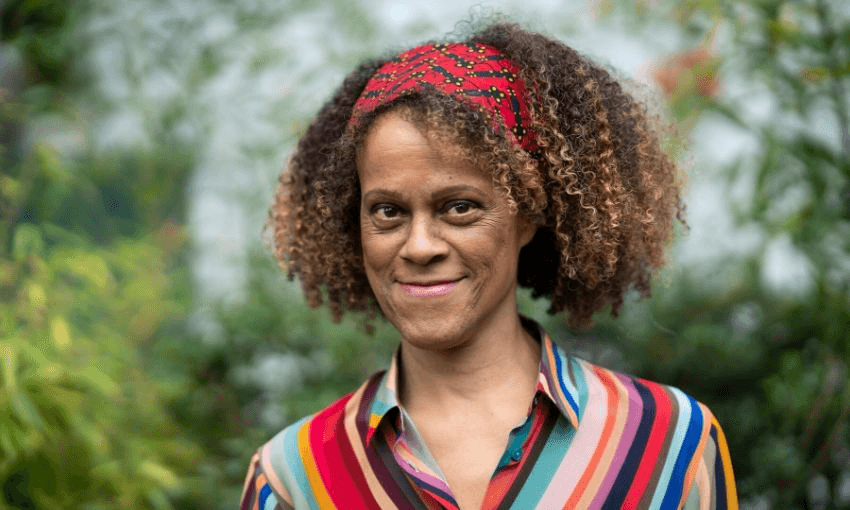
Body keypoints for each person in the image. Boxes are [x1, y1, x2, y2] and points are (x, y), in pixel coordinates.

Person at [240, 22, 738, 510]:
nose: (419, 246)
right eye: (388, 211)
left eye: (459, 207)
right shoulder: (295, 479)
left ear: (531, 214)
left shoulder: (667, 446)